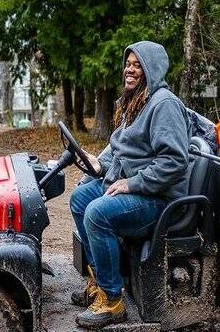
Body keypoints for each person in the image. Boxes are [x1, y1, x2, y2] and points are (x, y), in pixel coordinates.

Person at [69, 41, 191, 329]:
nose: (130, 69)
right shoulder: (135, 101)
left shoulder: (164, 105)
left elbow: (174, 161)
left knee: (97, 214)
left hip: (159, 198)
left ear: (152, 70)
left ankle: (112, 301)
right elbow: (119, 147)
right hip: (135, 187)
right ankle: (101, 281)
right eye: (128, 63)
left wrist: (132, 183)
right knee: (79, 199)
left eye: (138, 65)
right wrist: (98, 165)